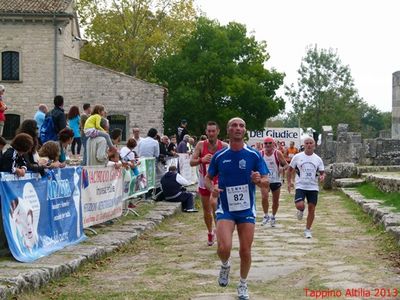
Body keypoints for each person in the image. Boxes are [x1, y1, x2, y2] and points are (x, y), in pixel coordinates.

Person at [205, 117, 269, 300]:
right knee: (224, 247)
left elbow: (266, 181)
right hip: (226, 208)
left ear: (245, 130)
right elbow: (209, 179)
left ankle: (242, 284)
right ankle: (225, 265)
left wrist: (259, 180)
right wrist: (212, 189)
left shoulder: (254, 155)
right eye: (234, 125)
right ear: (228, 131)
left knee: (245, 250)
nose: (238, 128)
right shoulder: (220, 156)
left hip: (247, 209)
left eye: (241, 125)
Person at [190, 121, 228, 246]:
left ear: (218, 132)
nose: (211, 133)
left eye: (213, 131)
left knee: (214, 204)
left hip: (218, 181)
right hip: (204, 180)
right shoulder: (201, 145)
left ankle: (219, 232)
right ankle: (210, 231)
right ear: (206, 132)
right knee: (206, 211)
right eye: (209, 131)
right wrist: (202, 159)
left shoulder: (224, 146)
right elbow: (191, 162)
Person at [287, 137, 325, 239]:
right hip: (301, 185)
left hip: (313, 187)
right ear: (304, 145)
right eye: (307, 143)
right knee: (300, 205)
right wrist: (289, 182)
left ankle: (308, 230)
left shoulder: (318, 159)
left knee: (312, 209)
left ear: (314, 145)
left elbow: (322, 173)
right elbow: (289, 170)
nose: (308, 145)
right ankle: (301, 210)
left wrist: (322, 177)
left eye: (310, 143)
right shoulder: (297, 157)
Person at [260, 136, 288, 227]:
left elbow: (286, 165)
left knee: (275, 201)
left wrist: (281, 168)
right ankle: (265, 215)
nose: (268, 145)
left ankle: (273, 216)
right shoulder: (261, 154)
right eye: (266, 143)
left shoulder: (277, 153)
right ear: (263, 145)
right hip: (265, 180)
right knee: (264, 197)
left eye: (270, 143)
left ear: (273, 144)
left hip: (275, 180)